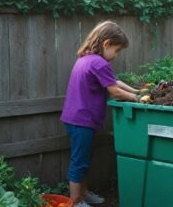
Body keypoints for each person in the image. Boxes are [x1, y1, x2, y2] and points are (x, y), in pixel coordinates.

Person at [60, 20, 139, 207]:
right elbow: (116, 91)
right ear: (106, 44)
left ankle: (84, 193)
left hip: (74, 119)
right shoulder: (99, 63)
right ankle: (75, 201)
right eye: (117, 50)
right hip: (82, 121)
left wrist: (136, 91)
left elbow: (114, 81)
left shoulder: (85, 59)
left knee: (83, 159)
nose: (116, 55)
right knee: (79, 162)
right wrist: (137, 99)